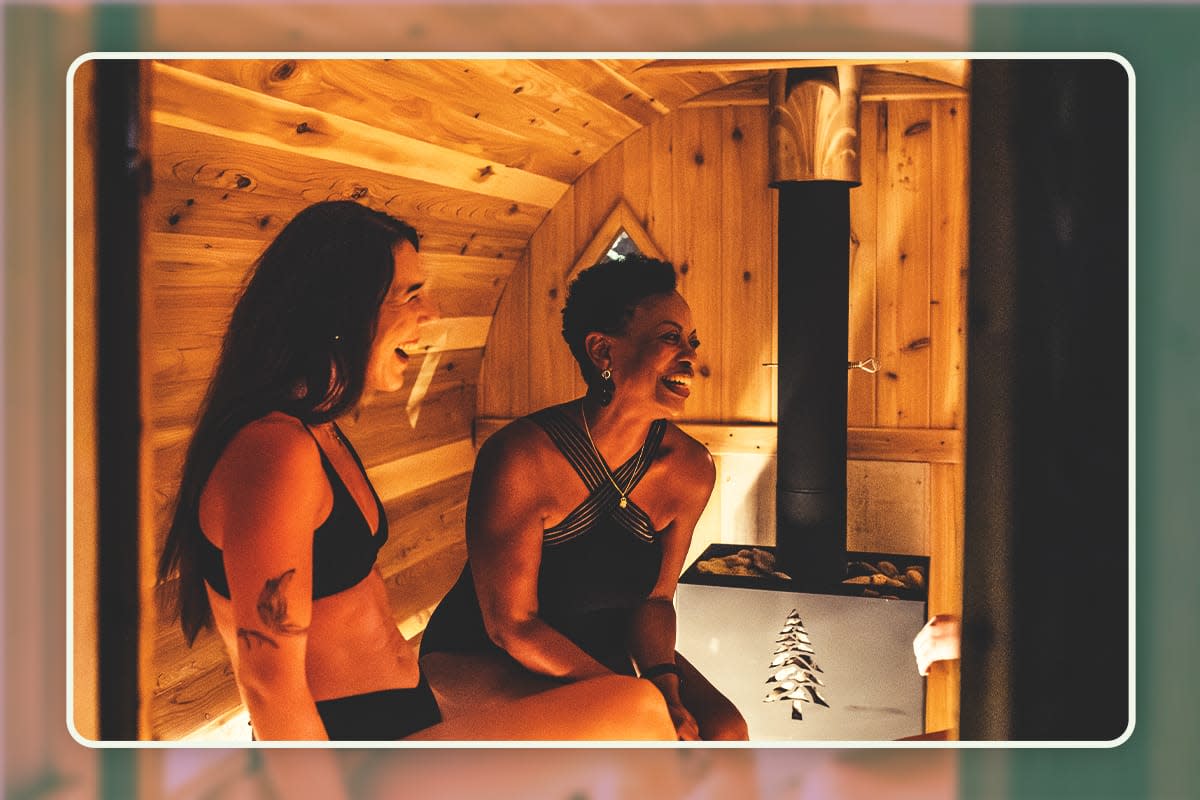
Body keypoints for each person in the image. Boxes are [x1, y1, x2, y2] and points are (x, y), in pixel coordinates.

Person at [156, 201, 674, 741]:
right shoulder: (272, 451)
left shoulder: (318, 430)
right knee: (634, 708)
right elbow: (269, 685)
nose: (432, 314)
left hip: (407, 711)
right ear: (339, 310)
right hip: (359, 748)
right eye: (410, 295)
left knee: (625, 710)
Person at [421, 253, 748, 741]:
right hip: (484, 655)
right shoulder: (521, 457)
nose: (690, 356)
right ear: (602, 351)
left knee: (726, 732)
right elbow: (512, 624)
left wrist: (668, 693)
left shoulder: (691, 470)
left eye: (692, 341)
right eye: (669, 338)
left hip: (600, 648)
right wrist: (628, 698)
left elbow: (656, 601)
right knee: (638, 735)